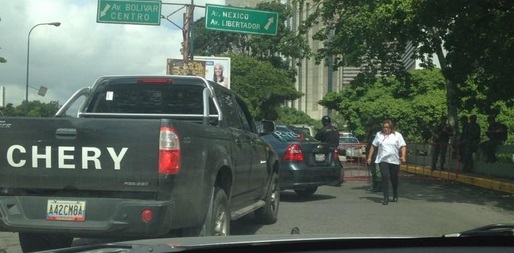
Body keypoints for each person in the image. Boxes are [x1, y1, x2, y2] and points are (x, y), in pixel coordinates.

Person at [366, 119, 407, 205]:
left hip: (394, 160)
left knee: (394, 178)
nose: (386, 129)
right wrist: (369, 157)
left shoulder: (397, 135)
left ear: (391, 127)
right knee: (384, 177)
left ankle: (395, 193)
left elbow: (403, 146)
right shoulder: (379, 135)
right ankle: (386, 197)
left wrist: (403, 156)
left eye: (388, 127)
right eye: (384, 127)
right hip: (382, 160)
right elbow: (373, 146)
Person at [365, 121, 382, 192]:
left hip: (376, 155)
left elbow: (373, 145)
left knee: (377, 172)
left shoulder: (376, 133)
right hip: (373, 154)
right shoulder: (373, 133)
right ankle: (375, 186)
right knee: (373, 171)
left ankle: (378, 187)